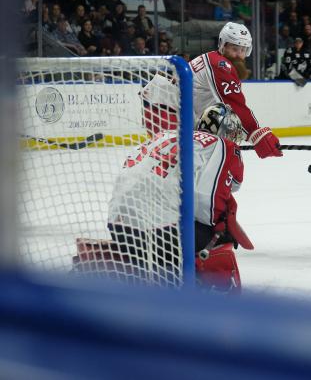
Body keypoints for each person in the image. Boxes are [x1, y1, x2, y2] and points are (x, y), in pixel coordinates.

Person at [106, 78, 251, 293]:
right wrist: (222, 227)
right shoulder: (222, 146)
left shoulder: (165, 135)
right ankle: (206, 292)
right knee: (217, 235)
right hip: (160, 232)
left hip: (119, 226)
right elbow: (206, 198)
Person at [188, 22, 282, 159]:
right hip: (168, 115)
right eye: (234, 49)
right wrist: (256, 133)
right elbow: (235, 104)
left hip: (166, 110)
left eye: (243, 50)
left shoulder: (215, 60)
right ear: (222, 45)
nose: (239, 55)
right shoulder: (220, 65)